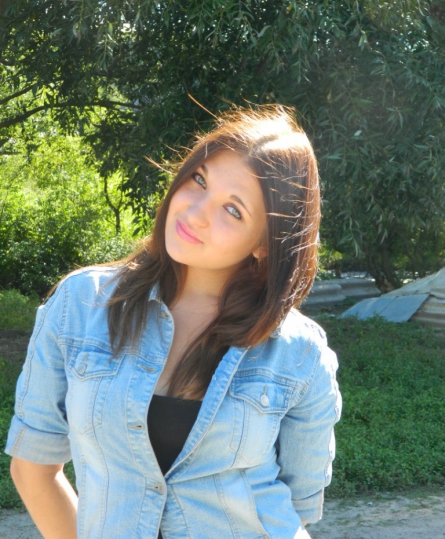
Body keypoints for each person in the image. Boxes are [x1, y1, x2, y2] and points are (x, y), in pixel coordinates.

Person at [5, 106, 341, 539]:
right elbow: (34, 467)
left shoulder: (300, 353)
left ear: (264, 244)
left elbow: (298, 506)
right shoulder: (81, 304)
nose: (196, 212)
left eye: (233, 210)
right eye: (199, 180)